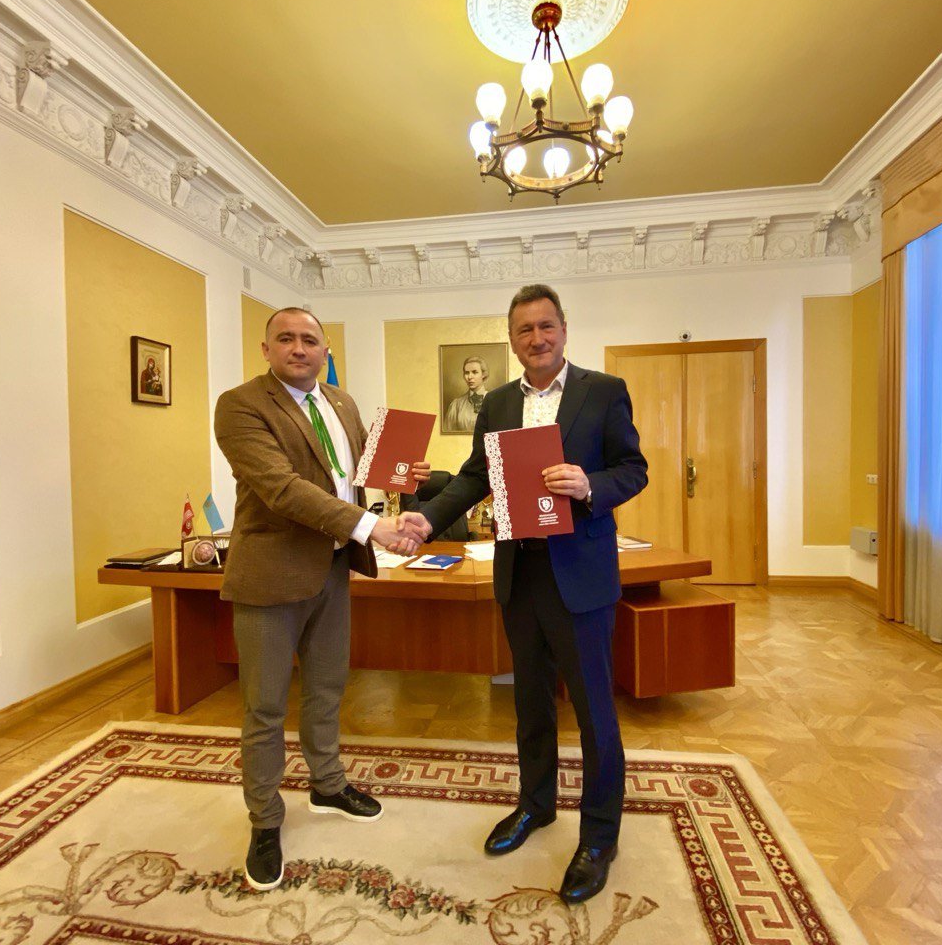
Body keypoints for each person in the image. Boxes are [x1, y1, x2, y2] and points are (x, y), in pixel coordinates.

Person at [401, 284, 647, 904]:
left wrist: (589, 484)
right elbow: (475, 477)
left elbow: (633, 468)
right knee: (530, 702)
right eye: (523, 330)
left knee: (593, 712)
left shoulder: (603, 391)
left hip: (581, 574)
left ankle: (599, 838)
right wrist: (427, 518)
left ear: (563, 328)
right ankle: (536, 805)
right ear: (511, 341)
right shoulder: (500, 403)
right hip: (520, 573)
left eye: (545, 326)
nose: (536, 338)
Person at [214, 306, 430, 891]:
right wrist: (373, 527)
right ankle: (265, 821)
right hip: (270, 576)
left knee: (328, 689)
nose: (298, 348)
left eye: (309, 339)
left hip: (332, 569)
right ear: (266, 349)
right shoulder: (240, 405)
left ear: (324, 349)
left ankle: (328, 785)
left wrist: (407, 477)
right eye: (285, 338)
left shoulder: (342, 403)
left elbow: (357, 472)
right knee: (264, 708)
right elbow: (283, 489)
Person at [444, 355, 489, 432]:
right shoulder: (456, 405)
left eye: (474, 372)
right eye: (467, 373)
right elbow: (446, 434)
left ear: (483, 374)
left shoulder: (495, 402)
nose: (469, 377)